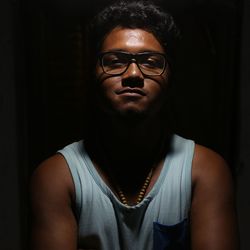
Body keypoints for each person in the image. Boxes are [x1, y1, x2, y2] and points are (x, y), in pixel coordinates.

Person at [30, 1, 239, 249]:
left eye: (150, 62)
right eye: (115, 61)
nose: (133, 74)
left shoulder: (204, 171)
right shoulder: (58, 177)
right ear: (92, 73)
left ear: (170, 77)